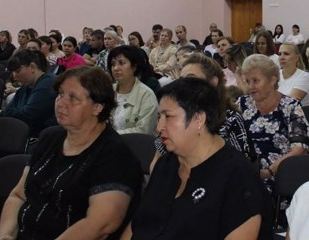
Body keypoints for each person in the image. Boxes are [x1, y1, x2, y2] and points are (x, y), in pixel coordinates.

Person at [0, 66, 143, 240]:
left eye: (73, 98)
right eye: (60, 94)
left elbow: (100, 224)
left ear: (97, 107)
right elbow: (19, 195)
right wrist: (5, 235)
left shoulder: (115, 156)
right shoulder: (50, 137)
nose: (61, 103)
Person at [121, 78, 273, 240]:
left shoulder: (238, 178)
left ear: (198, 119)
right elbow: (139, 224)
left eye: (168, 117)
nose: (159, 127)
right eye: (159, 117)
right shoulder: (167, 164)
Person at [237, 54, 309, 194]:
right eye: (247, 81)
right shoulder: (241, 104)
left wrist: (268, 172)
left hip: (280, 175)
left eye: (256, 80)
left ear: (273, 79)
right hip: (245, 176)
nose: (251, 86)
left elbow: (299, 149)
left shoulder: (291, 107)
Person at [0, 49, 57, 138]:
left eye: (18, 71)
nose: (14, 76)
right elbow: (10, 110)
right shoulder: (26, 86)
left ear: (32, 67)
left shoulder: (48, 83)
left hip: (38, 139)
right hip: (22, 134)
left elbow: (27, 116)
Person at [108, 45, 158, 135]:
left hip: (135, 146)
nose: (116, 68)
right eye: (113, 64)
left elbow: (143, 131)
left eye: (121, 63)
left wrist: (110, 136)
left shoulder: (146, 94)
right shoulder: (108, 90)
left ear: (134, 67)